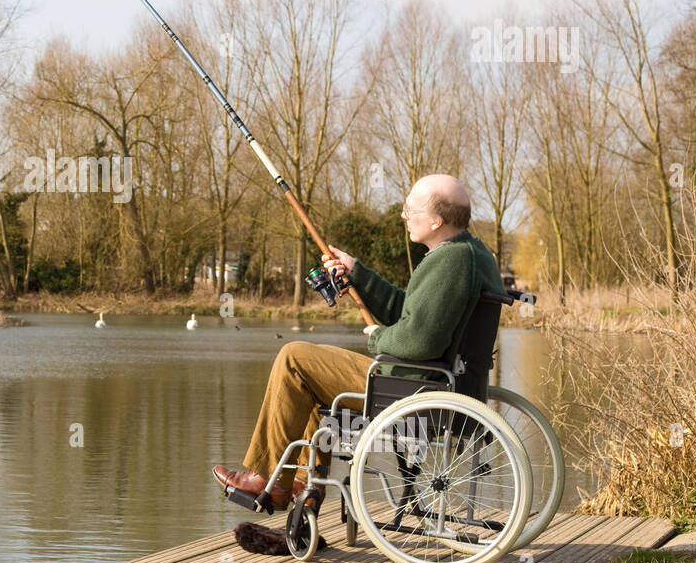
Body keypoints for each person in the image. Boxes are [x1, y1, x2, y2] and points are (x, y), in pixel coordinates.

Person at [211, 173, 504, 510]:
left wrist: (379, 337)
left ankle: (269, 478)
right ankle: (299, 485)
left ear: (436, 220)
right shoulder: (469, 252)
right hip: (430, 382)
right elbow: (405, 311)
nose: (404, 215)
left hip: (414, 387)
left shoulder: (451, 261)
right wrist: (356, 271)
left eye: (411, 209)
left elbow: (420, 342)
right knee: (310, 378)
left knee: (294, 358)